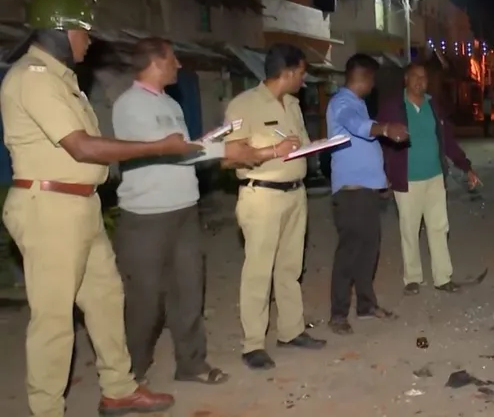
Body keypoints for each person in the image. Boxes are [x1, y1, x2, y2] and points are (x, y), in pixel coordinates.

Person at [0, 0, 193, 416]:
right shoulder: (32, 78)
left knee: (106, 300)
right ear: (62, 31)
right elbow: (83, 148)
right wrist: (157, 148)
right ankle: (46, 409)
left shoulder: (62, 81)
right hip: (48, 207)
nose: (89, 41)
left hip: (80, 206)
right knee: (53, 320)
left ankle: (119, 389)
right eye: (84, 33)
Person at [110, 37, 281, 386]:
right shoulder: (129, 105)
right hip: (146, 216)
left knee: (188, 291)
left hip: (184, 210)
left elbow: (186, 151)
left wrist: (223, 150)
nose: (179, 65)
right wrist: (225, 151)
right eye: (173, 59)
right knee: (145, 300)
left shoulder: (171, 104)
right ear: (157, 62)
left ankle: (191, 363)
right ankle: (129, 374)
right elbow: (171, 151)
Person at [223, 43, 325, 371]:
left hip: (295, 194)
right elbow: (230, 156)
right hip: (262, 196)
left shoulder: (293, 105)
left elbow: (301, 145)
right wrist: (274, 152)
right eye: (302, 72)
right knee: (258, 271)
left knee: (290, 267)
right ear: (289, 72)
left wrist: (319, 147)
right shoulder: (244, 105)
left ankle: (291, 331)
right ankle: (253, 344)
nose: (304, 79)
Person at [379, 63, 481, 295]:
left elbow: (448, 141)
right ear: (406, 79)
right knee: (409, 229)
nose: (419, 81)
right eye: (415, 76)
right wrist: (384, 173)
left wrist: (466, 167)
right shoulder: (393, 107)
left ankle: (443, 278)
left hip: (435, 177)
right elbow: (381, 142)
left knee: (439, 227)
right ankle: (412, 278)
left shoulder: (433, 105)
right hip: (406, 180)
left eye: (424, 77)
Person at [326, 53, 409, 335]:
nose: (374, 85)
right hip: (352, 194)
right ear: (363, 78)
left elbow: (362, 144)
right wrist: (385, 128)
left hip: (366, 190)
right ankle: (338, 314)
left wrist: (380, 179)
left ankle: (365, 305)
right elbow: (357, 127)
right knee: (349, 253)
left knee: (369, 251)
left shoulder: (359, 104)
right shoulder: (342, 103)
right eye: (372, 79)